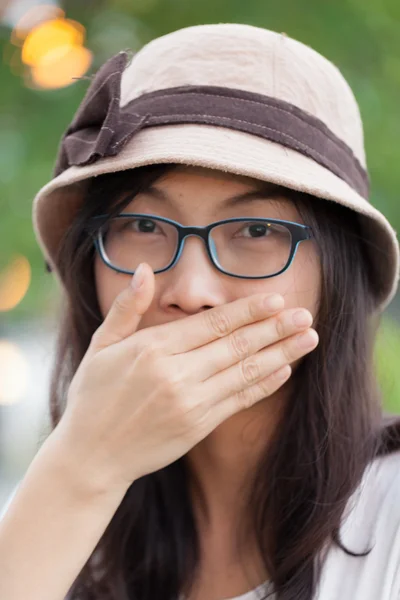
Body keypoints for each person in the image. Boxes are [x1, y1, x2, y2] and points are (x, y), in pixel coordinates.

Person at [0, 22, 399, 600]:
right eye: (142, 225)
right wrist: (83, 467)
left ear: (337, 275)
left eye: (257, 229)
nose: (190, 289)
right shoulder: (55, 525)